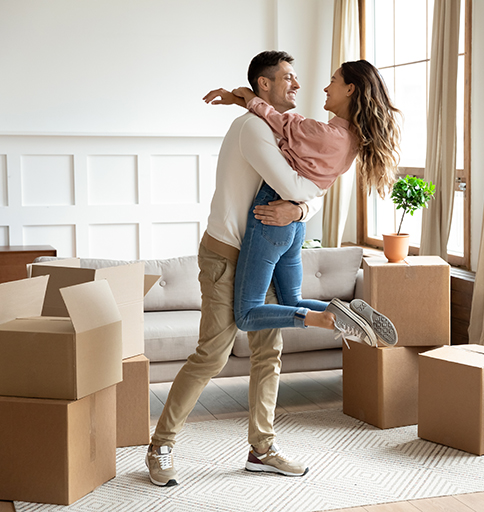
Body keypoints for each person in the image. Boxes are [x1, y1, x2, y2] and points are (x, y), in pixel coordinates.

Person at [145, 51, 378, 487]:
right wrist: (303, 202)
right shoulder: (253, 128)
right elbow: (294, 186)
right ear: (263, 85)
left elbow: (310, 192)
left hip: (263, 252)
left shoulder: (282, 127)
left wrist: (303, 206)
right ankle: (161, 445)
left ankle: (262, 448)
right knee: (212, 354)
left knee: (269, 353)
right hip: (227, 254)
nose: (298, 85)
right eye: (287, 78)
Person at [204, 59, 402, 347]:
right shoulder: (350, 140)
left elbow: (279, 121)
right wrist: (300, 211)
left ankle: (322, 319)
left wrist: (241, 98)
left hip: (271, 214)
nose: (325, 87)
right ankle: (348, 313)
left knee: (246, 314)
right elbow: (314, 189)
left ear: (350, 89)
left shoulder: (324, 134)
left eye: (333, 80)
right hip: (294, 225)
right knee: (292, 300)